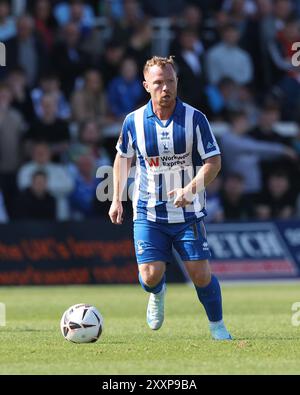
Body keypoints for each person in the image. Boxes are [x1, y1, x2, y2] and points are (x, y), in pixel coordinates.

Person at [108, 56, 232, 340]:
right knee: (150, 275)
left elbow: (214, 161)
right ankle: (157, 293)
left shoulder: (194, 118)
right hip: (148, 211)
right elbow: (122, 159)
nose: (166, 88)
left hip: (187, 212)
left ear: (177, 82)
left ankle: (217, 326)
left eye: (171, 81)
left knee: (200, 274)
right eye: (159, 83)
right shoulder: (134, 121)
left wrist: (191, 189)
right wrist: (117, 198)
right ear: (146, 86)